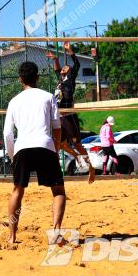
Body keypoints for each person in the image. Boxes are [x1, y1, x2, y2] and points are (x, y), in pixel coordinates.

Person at [3, 61, 65, 245]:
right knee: (58, 191)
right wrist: (56, 148)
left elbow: (7, 133)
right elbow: (57, 128)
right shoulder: (48, 97)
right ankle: (55, 232)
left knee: (17, 191)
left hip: (22, 147)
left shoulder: (14, 101)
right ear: (37, 77)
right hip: (45, 145)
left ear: (20, 79)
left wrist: (13, 155)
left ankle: (12, 236)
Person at [46, 41, 95, 182]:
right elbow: (56, 70)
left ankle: (90, 167)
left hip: (68, 115)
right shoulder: (61, 80)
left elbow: (77, 65)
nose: (63, 68)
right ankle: (76, 158)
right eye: (63, 67)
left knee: (77, 144)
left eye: (66, 67)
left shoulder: (70, 79)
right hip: (59, 115)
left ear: (70, 71)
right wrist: (55, 59)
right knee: (60, 144)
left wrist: (70, 51)